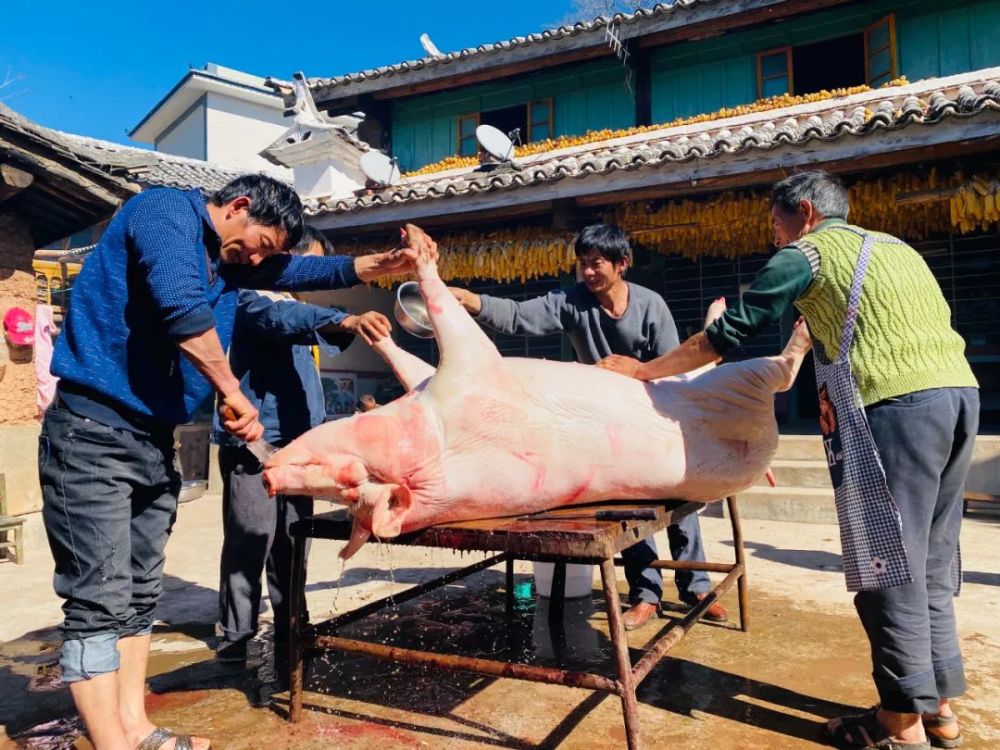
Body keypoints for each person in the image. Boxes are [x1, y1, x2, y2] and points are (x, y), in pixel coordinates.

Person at [39, 174, 432, 750]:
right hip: (91, 432)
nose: (258, 261)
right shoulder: (165, 213)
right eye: (259, 245)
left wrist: (381, 264)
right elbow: (181, 308)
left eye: (266, 256)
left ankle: (136, 729)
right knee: (98, 596)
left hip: (151, 439)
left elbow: (303, 272)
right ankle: (112, 743)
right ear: (239, 206)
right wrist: (231, 390)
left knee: (139, 591)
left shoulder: (231, 262)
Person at [599, 171, 978, 750]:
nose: (774, 236)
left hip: (898, 407)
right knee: (929, 559)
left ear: (803, 212)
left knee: (887, 566)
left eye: (775, 223)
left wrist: (643, 371)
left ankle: (901, 728)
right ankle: (939, 708)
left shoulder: (809, 254)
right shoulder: (896, 248)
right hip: (959, 399)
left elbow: (726, 335)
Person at [450, 223, 728, 630]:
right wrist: (474, 301)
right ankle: (645, 593)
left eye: (596, 263)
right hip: (606, 427)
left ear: (622, 264)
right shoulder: (571, 301)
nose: (588, 272)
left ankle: (696, 586)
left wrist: (637, 375)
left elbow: (676, 369)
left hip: (657, 416)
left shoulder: (651, 306)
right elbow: (520, 316)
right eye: (583, 264)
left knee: (680, 500)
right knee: (630, 511)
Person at [214, 226, 392, 666]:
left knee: (294, 540)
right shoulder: (249, 296)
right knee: (250, 538)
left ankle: (293, 622)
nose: (307, 279)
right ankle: (236, 636)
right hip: (254, 444)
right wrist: (342, 319)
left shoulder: (295, 304)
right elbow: (280, 322)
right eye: (303, 268)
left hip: (301, 447)